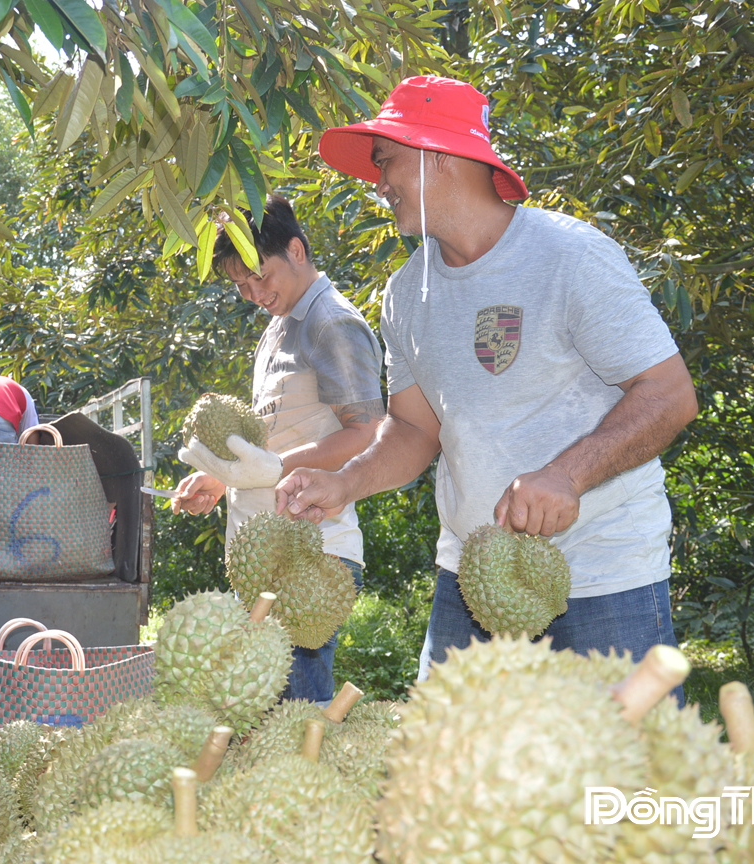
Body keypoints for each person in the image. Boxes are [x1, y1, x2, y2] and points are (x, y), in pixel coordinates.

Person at [277, 75, 699, 688]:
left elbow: (670, 394)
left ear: (439, 155)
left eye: (387, 161)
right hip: (470, 576)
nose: (380, 183)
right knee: (449, 774)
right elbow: (417, 429)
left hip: (602, 574)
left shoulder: (569, 257)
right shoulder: (405, 293)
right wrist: (346, 482)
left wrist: (566, 475)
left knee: (628, 774)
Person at [171, 194, 384, 704]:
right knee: (261, 713)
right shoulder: (279, 326)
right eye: (241, 285)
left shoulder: (331, 324)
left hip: (314, 551)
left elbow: (370, 432)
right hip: (264, 553)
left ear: (296, 250)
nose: (253, 293)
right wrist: (225, 478)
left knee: (296, 718)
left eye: (260, 276)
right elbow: (280, 433)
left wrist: (276, 468)